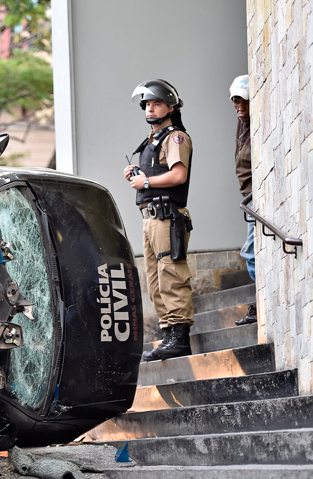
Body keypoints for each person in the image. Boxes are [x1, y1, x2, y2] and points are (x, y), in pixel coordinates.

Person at [124, 79, 195, 361]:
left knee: (171, 276)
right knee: (154, 281)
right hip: (150, 219)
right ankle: (168, 332)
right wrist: (137, 174)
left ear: (170, 106)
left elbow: (179, 175)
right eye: (147, 104)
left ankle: (179, 336)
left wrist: (146, 181)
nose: (150, 108)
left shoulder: (175, 137)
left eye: (156, 103)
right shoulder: (151, 141)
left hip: (167, 218)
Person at [229, 74, 257, 326]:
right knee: (252, 252)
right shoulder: (243, 123)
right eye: (236, 102)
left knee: (250, 252)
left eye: (244, 102)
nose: (240, 107)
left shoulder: (256, 122)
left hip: (256, 199)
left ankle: (261, 301)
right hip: (249, 199)